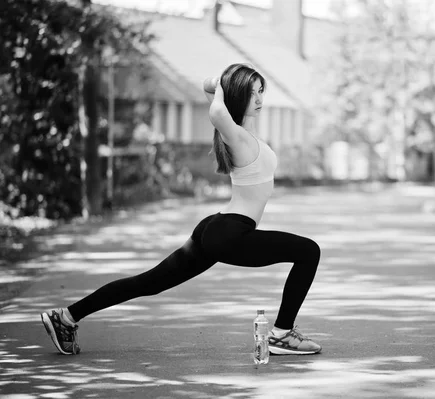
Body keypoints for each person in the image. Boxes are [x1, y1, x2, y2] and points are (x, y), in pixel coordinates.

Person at [40, 63, 322, 356]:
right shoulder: (234, 134)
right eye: (252, 94)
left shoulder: (244, 133)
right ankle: (281, 334)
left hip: (218, 227)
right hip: (231, 233)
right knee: (308, 251)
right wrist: (224, 86)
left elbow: (206, 86)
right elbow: (215, 110)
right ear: (238, 96)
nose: (260, 99)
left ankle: (66, 317)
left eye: (261, 91)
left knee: (149, 282)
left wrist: (220, 84)